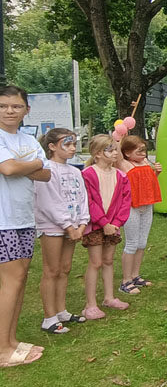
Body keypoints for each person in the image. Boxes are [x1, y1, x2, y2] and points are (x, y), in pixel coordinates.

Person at [0, 85, 51, 367]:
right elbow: (6, 169)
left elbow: (45, 174)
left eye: (16, 106)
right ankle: (1, 349)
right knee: (11, 281)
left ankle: (11, 340)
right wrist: (31, 163)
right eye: (3, 106)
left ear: (26, 110)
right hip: (3, 220)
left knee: (20, 280)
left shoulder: (26, 139)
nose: (10, 111)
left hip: (23, 219)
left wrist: (25, 165)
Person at [34, 128, 89, 334]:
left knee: (65, 268)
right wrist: (67, 225)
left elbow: (83, 198)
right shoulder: (46, 169)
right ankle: (49, 317)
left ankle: (61, 310)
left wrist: (82, 223)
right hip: (52, 226)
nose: (72, 148)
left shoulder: (75, 171)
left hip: (74, 226)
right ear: (52, 147)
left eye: (74, 144)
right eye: (67, 144)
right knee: (52, 270)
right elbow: (49, 202)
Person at [81, 134, 132, 319]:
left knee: (109, 260)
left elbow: (126, 202)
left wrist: (116, 223)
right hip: (96, 226)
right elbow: (89, 201)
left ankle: (109, 297)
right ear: (97, 154)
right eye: (109, 149)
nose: (114, 153)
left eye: (114, 149)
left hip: (113, 226)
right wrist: (103, 223)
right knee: (96, 262)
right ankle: (90, 304)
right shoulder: (88, 174)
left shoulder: (121, 175)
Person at [118, 135, 162, 294]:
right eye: (140, 150)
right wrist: (120, 137)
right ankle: (125, 280)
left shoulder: (144, 162)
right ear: (127, 153)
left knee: (142, 242)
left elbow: (146, 183)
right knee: (132, 243)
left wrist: (156, 173)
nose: (144, 154)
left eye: (145, 150)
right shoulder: (124, 164)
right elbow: (117, 151)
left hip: (146, 205)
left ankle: (135, 275)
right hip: (132, 207)